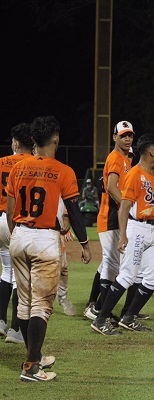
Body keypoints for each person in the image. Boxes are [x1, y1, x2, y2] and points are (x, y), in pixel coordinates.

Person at [6, 115, 92, 382]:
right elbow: (75, 213)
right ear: (55, 139)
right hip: (44, 239)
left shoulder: (18, 168)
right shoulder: (63, 171)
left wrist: (17, 234)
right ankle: (31, 366)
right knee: (41, 306)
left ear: (33, 140)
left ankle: (35, 354)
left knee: (25, 303)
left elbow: (10, 209)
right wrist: (85, 243)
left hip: (19, 235)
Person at [91, 133, 154, 335]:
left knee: (152, 278)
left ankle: (129, 316)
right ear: (151, 151)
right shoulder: (134, 174)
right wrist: (123, 235)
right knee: (127, 275)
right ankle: (101, 318)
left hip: (152, 230)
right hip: (137, 229)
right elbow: (124, 207)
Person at [84, 121, 135, 321]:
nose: (127, 139)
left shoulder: (124, 160)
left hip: (115, 218)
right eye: (123, 135)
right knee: (112, 266)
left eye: (130, 135)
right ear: (114, 137)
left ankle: (97, 306)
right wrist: (126, 205)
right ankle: (97, 309)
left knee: (110, 264)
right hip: (110, 218)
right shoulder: (115, 158)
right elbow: (112, 187)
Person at [0, 122, 34, 344]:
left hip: (0, 218)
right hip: (20, 222)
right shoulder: (34, 164)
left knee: (5, 271)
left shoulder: (1, 163)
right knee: (20, 278)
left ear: (15, 142)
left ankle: (0, 321)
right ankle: (16, 330)